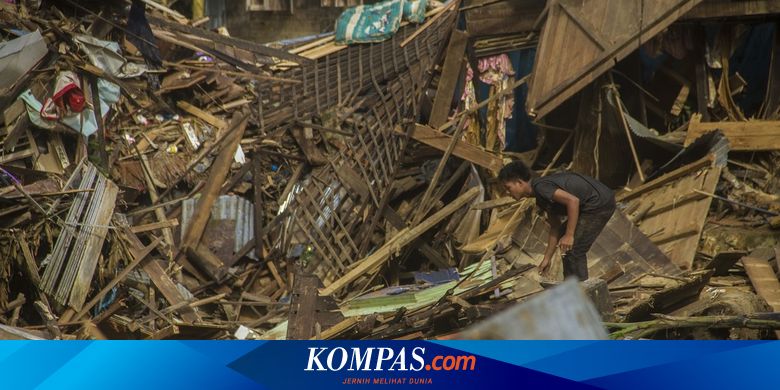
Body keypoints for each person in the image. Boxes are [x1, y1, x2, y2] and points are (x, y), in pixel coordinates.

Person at [499, 161, 615, 281]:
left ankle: (582, 291)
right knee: (566, 246)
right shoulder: (541, 197)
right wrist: (547, 259)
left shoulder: (541, 187)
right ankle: (570, 285)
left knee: (574, 249)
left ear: (519, 182)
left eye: (508, 188)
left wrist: (569, 235)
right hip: (593, 203)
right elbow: (555, 227)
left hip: (598, 203)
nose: (508, 193)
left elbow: (573, 201)